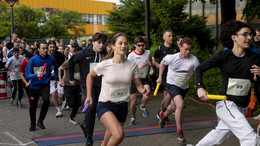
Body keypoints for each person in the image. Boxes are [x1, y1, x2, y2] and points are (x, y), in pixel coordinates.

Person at [192, 20, 260, 146]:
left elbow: (257, 82)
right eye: (245, 34)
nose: (249, 37)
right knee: (251, 138)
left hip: (243, 107)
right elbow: (199, 68)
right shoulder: (224, 56)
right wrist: (199, 87)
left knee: (220, 134)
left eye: (250, 34)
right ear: (234, 37)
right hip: (226, 103)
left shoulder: (255, 57)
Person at [85, 32, 150, 146]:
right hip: (106, 105)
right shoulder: (105, 64)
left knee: (107, 139)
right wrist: (89, 96)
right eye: (120, 43)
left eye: (125, 43)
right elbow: (89, 76)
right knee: (119, 135)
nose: (123, 46)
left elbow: (139, 86)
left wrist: (144, 91)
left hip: (122, 106)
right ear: (113, 46)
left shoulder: (132, 65)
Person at [157, 37, 200, 143]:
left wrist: (198, 85)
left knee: (174, 106)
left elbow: (198, 72)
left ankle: (164, 114)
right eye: (186, 49)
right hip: (172, 84)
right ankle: (179, 132)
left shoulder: (193, 60)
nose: (188, 52)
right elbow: (162, 63)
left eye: (190, 49)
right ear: (180, 47)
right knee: (180, 105)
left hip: (184, 86)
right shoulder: (171, 58)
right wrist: (160, 76)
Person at [69, 32, 107, 146]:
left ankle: (85, 124)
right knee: (91, 107)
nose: (101, 45)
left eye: (103, 43)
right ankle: (89, 138)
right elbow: (71, 62)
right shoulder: (84, 53)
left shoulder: (105, 54)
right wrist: (71, 78)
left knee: (97, 108)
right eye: (99, 43)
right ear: (93, 42)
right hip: (87, 85)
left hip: (102, 85)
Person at [25, 41, 58, 131]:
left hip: (45, 85)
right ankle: (32, 123)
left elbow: (56, 67)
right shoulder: (33, 60)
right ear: (38, 49)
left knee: (46, 101)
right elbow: (27, 74)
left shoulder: (51, 59)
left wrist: (56, 78)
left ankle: (40, 121)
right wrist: (36, 75)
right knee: (33, 105)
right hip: (34, 86)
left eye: (46, 48)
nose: (45, 50)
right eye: (43, 48)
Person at [152, 30, 180, 120]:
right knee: (167, 92)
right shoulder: (160, 48)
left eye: (172, 36)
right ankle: (163, 111)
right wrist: (158, 66)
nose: (171, 38)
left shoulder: (176, 48)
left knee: (168, 94)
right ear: (164, 38)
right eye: (169, 36)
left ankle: (163, 111)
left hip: (173, 74)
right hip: (163, 74)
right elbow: (153, 59)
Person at [127, 36, 152, 125]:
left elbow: (149, 60)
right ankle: (133, 117)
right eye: (139, 45)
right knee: (133, 102)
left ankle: (143, 106)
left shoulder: (148, 52)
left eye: (143, 45)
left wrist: (151, 67)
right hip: (133, 80)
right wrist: (138, 67)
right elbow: (128, 70)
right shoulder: (131, 56)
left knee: (147, 92)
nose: (141, 47)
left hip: (144, 78)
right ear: (135, 45)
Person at [59, 46, 82, 124]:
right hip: (68, 85)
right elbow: (60, 69)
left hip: (78, 84)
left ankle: (72, 117)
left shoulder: (82, 63)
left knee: (78, 103)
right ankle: (65, 102)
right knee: (71, 103)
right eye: (77, 54)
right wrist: (60, 80)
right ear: (74, 53)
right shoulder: (69, 62)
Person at [47, 40, 66, 118]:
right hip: (51, 79)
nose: (52, 48)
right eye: (50, 47)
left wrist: (64, 76)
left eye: (53, 47)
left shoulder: (60, 55)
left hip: (60, 77)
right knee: (54, 94)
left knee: (60, 96)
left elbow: (64, 66)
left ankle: (63, 101)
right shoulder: (45, 56)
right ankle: (59, 110)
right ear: (48, 47)